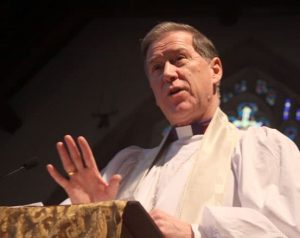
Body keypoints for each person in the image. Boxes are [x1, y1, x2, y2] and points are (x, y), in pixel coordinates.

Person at [46, 21, 300, 238]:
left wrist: (194, 233)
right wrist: (90, 218)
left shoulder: (259, 148)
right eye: (156, 67)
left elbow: (288, 232)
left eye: (178, 58)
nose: (167, 73)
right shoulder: (127, 166)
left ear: (215, 70)